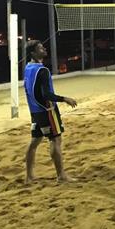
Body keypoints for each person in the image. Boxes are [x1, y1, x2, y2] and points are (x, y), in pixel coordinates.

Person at [23, 40, 77, 184]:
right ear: (33, 53)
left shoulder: (28, 67)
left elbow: (29, 90)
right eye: (41, 48)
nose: (44, 49)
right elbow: (47, 94)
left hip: (35, 111)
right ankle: (61, 175)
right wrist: (64, 99)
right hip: (47, 110)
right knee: (55, 140)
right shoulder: (43, 70)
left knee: (34, 141)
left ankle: (29, 176)